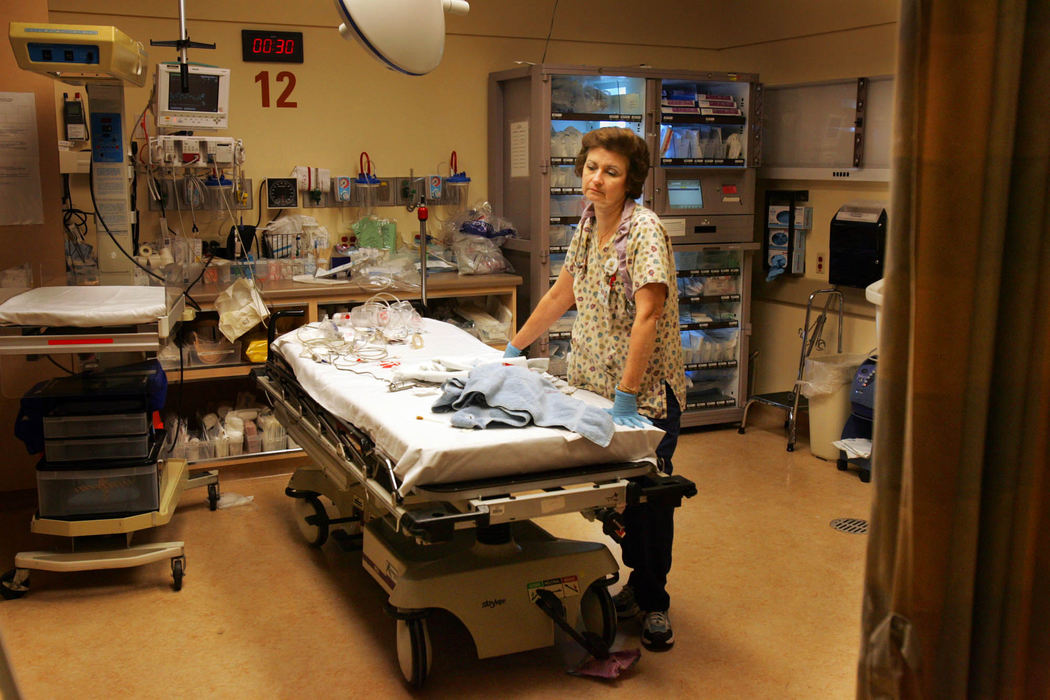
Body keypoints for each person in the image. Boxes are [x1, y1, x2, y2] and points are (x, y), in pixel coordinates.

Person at [504, 126, 686, 651]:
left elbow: (648, 314)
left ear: (630, 181)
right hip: (593, 390)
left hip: (643, 397)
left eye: (610, 172)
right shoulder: (587, 225)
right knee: (618, 502)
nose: (596, 179)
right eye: (590, 168)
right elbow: (563, 292)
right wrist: (513, 351)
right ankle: (636, 582)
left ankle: (654, 602)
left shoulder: (645, 231)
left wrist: (628, 395)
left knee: (649, 501)